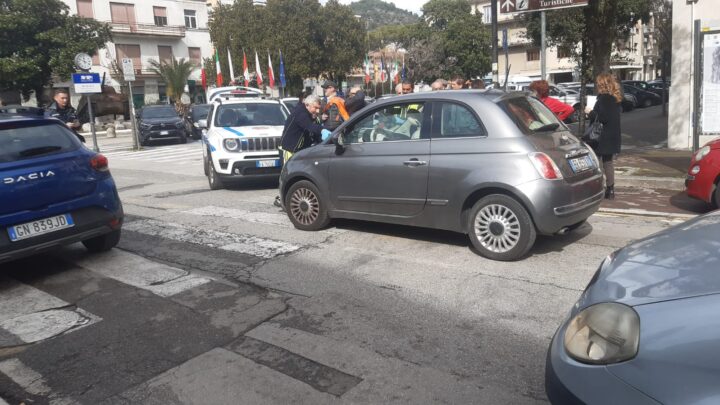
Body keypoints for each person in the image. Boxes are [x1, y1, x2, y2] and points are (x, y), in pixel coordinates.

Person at [274, 95, 331, 207]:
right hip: (288, 148)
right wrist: (323, 130)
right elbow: (309, 127)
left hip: (299, 150)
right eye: (316, 107)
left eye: (319, 108)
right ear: (307, 105)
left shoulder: (308, 113)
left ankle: (290, 197)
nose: (317, 110)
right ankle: (281, 199)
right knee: (287, 175)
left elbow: (312, 129)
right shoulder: (301, 113)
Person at [585, 73, 622, 200]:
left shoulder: (604, 98)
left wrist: (590, 112)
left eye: (597, 83)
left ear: (601, 84)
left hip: (601, 136)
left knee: (596, 161)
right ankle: (610, 190)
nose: (596, 85)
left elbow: (603, 118)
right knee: (608, 162)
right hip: (612, 135)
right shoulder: (615, 98)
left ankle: (598, 188)